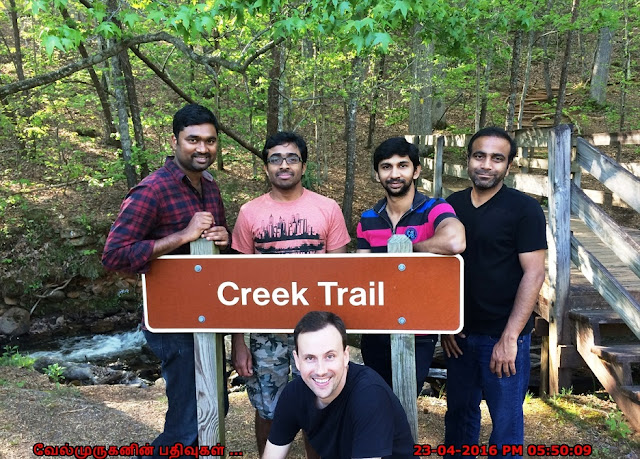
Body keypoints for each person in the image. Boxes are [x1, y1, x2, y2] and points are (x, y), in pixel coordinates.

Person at [102, 104, 231, 458]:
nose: (202, 148)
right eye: (193, 140)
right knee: (189, 418)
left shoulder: (210, 187)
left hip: (208, 313)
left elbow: (213, 251)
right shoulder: (151, 191)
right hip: (172, 321)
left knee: (215, 405)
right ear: (174, 141)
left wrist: (223, 238)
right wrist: (182, 236)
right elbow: (114, 255)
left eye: (209, 141)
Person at [231, 131, 351, 457]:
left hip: (315, 330)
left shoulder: (327, 209)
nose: (284, 165)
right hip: (264, 331)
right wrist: (238, 341)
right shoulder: (249, 213)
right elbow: (238, 285)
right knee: (268, 407)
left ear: (303, 165)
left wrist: (338, 339)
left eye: (292, 158)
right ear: (266, 167)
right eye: (275, 159)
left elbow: (341, 279)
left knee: (319, 405)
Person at [442, 126, 547, 458]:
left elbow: (534, 272)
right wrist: (447, 324)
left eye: (496, 159)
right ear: (469, 160)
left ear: (509, 165)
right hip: (460, 335)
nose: (486, 165)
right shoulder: (451, 206)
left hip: (502, 336)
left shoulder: (524, 210)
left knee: (506, 425)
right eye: (479, 156)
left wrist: (510, 338)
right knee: (459, 417)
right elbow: (441, 269)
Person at [356, 137, 465, 395]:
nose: (395, 174)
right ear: (377, 174)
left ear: (416, 170)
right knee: (376, 399)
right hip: (376, 331)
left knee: (404, 402)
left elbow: (455, 240)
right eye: (386, 167)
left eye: (402, 166)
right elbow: (360, 272)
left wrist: (404, 248)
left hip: (418, 332)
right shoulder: (368, 219)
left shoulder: (434, 209)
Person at [263, 311, 415, 459]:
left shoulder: (369, 395)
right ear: (297, 360)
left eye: (330, 356)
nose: (321, 370)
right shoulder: (294, 394)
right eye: (310, 358)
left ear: (345, 356)